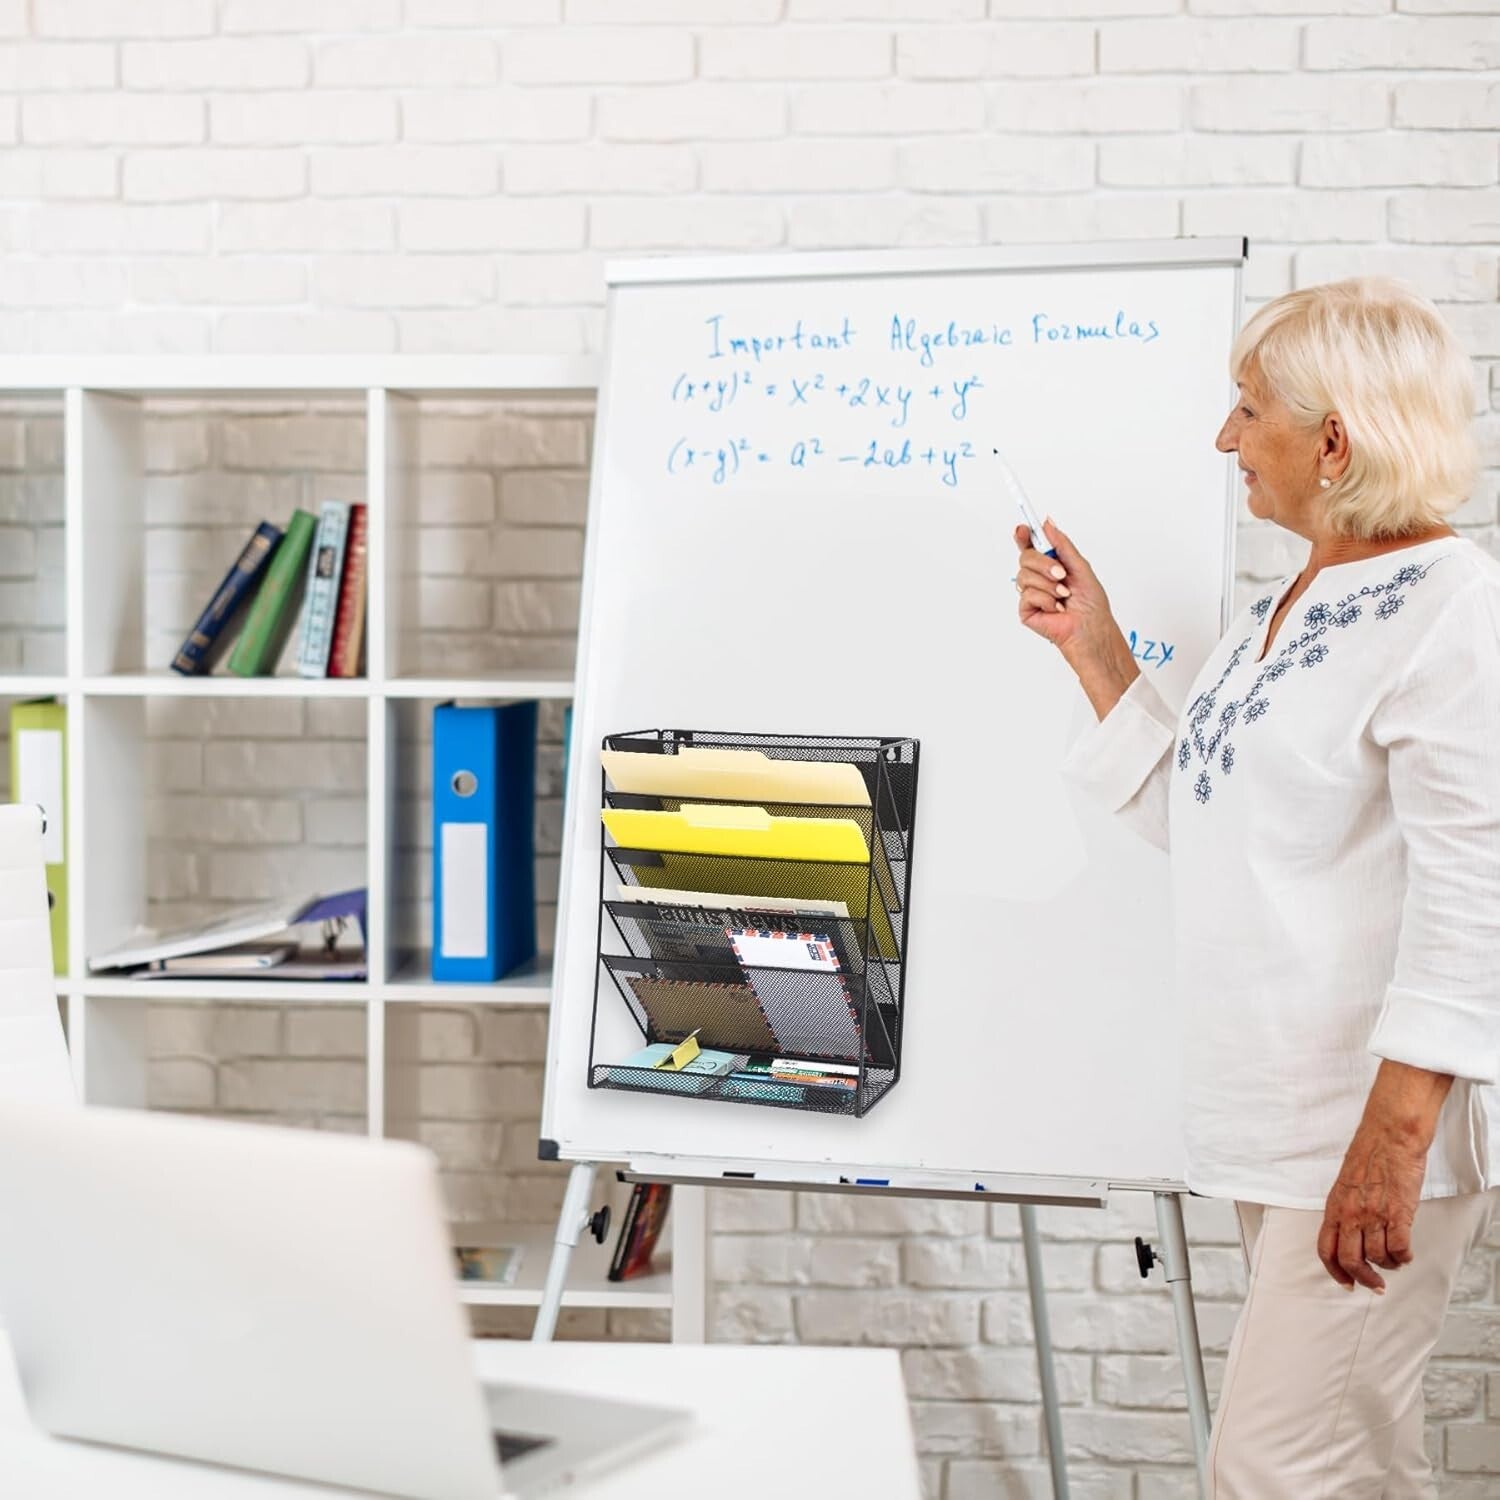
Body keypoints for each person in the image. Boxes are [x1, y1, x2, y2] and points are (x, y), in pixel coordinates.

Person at [1015, 278, 1500, 1497]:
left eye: (1248, 409)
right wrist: (1095, 648)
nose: (1225, 437)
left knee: (1273, 1470)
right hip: (1277, 1130)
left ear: (1334, 442)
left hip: (1363, 1133)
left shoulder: (1454, 613)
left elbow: (1477, 895)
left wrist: (1393, 1140)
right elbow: (1210, 819)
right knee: (1351, 1464)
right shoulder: (1280, 607)